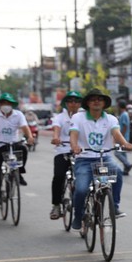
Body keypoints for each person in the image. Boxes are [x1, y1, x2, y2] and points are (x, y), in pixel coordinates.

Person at [69, 89, 132, 230]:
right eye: (93, 99)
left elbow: (116, 133)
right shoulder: (78, 118)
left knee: (118, 173)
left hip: (104, 158)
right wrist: (74, 146)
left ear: (104, 103)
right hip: (84, 159)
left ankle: (114, 207)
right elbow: (73, 135)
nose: (96, 101)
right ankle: (78, 216)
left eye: (100, 99)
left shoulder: (111, 119)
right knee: (80, 190)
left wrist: (124, 144)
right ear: (88, 103)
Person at [0, 93, 34, 211]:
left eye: (8, 103)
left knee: (23, 148)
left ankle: (19, 172)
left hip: (13, 144)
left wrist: (30, 137)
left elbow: (25, 127)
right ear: (0, 104)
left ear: (12, 105)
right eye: (3, 103)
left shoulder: (18, 114)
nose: (6, 105)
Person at [49, 91, 83, 220]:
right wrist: (56, 138)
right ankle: (56, 205)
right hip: (63, 150)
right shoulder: (59, 117)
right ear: (66, 103)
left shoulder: (84, 116)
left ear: (80, 103)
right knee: (58, 176)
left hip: (81, 152)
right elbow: (56, 130)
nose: (73, 104)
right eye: (70, 101)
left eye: (76, 101)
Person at [114, 100, 132, 175]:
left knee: (117, 153)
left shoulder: (124, 115)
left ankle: (128, 164)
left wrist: (120, 137)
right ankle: (126, 168)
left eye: (117, 105)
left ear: (119, 106)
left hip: (123, 138)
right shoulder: (123, 114)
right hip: (124, 137)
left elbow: (125, 126)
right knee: (123, 154)